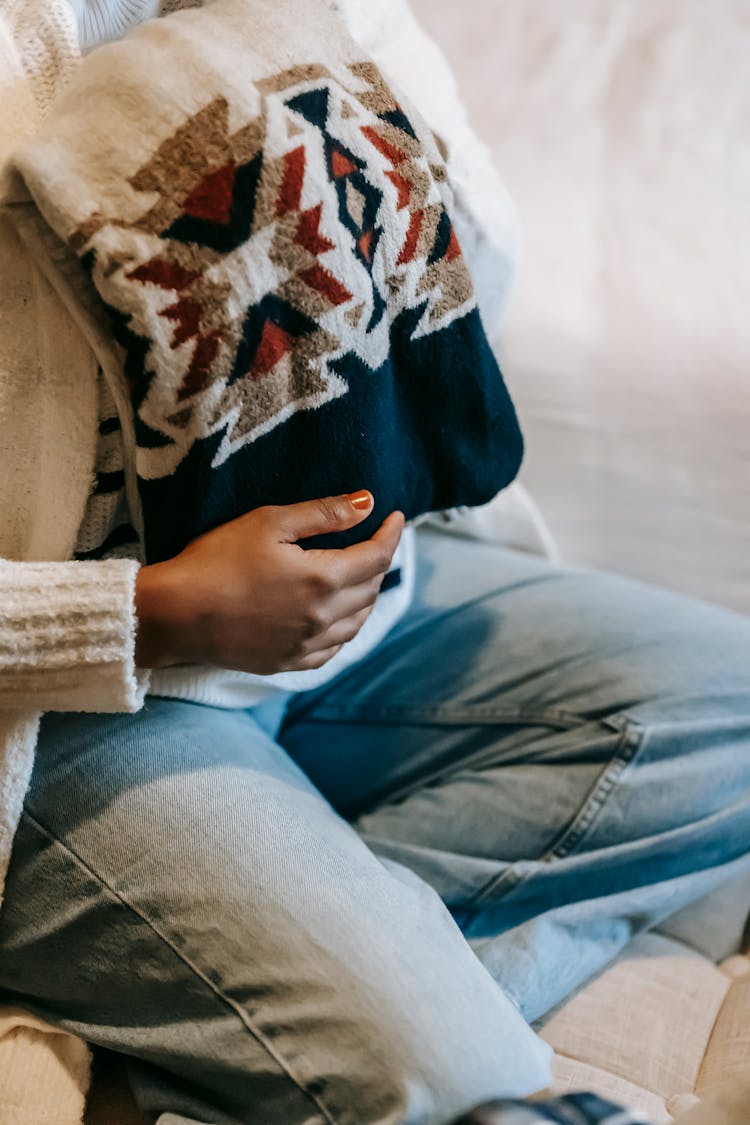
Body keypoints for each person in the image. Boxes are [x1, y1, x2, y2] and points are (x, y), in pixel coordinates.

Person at [0, 3, 748, 1125]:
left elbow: (459, 306)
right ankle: (346, 1001)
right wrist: (145, 616)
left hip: (376, 602)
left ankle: (260, 1005)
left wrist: (319, 55)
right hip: (69, 712)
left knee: (732, 707)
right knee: (452, 1080)